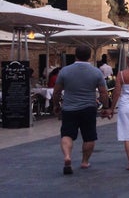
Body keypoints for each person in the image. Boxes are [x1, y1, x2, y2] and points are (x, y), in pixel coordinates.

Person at [52, 46, 110, 175]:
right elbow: (103, 93)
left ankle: (67, 156)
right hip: (88, 108)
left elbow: (56, 91)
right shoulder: (96, 72)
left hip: (69, 108)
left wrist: (56, 105)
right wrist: (106, 108)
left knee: (67, 134)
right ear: (89, 56)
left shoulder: (65, 71)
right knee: (89, 136)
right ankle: (84, 161)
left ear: (75, 55)